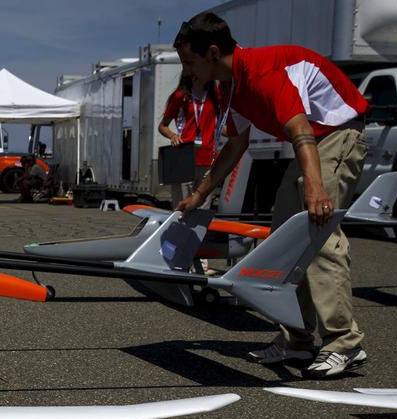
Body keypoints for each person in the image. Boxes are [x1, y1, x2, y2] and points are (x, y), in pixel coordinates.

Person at [174, 12, 370, 378]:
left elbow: (300, 130)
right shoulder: (230, 86)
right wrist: (199, 194)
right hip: (312, 142)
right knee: (285, 241)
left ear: (213, 53)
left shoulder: (262, 72)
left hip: (336, 134)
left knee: (317, 233)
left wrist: (314, 188)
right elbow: (235, 146)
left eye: (190, 62)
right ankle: (297, 341)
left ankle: (344, 343)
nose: (188, 72)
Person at [158, 74, 220, 207]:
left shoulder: (214, 96)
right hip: (184, 158)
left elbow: (220, 125)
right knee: (181, 208)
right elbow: (162, 126)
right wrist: (173, 136)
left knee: (202, 209)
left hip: (208, 159)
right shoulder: (181, 96)